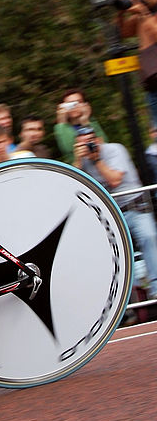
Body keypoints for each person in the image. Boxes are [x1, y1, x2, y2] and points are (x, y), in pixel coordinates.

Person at [73, 127, 157, 299]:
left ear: (98, 139)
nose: (89, 145)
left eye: (91, 140)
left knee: (149, 237)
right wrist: (78, 159)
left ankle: (156, 288)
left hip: (135, 207)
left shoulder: (115, 149)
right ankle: (132, 297)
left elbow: (114, 180)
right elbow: (75, 184)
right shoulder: (83, 161)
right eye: (84, 142)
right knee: (115, 253)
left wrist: (96, 160)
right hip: (110, 215)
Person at [116, 0, 157, 123]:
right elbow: (123, 33)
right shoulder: (141, 16)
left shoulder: (145, 15)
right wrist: (121, 12)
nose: (141, 0)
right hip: (152, 82)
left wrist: (145, 14)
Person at [54, 89, 107, 164]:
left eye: (78, 102)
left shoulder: (92, 123)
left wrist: (84, 120)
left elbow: (103, 144)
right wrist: (62, 120)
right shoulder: (61, 127)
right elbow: (69, 147)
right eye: (70, 104)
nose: (74, 107)